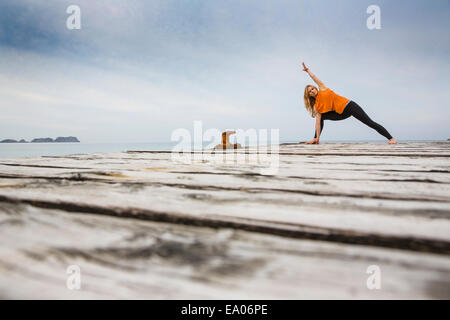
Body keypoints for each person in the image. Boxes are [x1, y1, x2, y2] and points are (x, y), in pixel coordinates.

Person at [301, 62, 397, 145]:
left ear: (315, 88)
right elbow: (318, 122)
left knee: (370, 123)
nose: (312, 91)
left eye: (312, 88)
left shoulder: (322, 89)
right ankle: (315, 139)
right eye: (309, 91)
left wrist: (307, 71)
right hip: (341, 113)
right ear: (309, 95)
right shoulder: (316, 106)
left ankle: (391, 138)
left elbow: (314, 77)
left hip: (350, 106)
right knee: (321, 117)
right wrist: (317, 137)